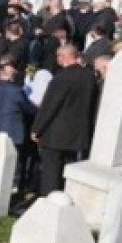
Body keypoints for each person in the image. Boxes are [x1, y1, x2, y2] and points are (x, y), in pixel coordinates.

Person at [30, 44, 98, 196]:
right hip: (79, 131)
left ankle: (49, 197)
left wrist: (37, 128)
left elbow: (50, 106)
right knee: (68, 168)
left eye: (58, 56)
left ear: (64, 57)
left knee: (51, 169)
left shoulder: (61, 78)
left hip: (56, 132)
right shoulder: (89, 77)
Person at [0, 56, 38, 192]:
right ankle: (10, 189)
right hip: (12, 133)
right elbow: (30, 109)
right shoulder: (17, 92)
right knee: (11, 166)